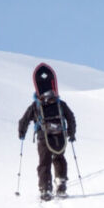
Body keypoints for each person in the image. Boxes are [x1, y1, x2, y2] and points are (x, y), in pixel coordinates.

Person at [17, 62, 77, 200]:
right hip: (59, 136)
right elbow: (70, 117)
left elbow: (24, 120)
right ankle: (61, 186)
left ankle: (45, 189)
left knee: (44, 162)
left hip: (43, 137)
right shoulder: (60, 103)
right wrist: (71, 133)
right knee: (59, 158)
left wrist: (22, 133)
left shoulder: (36, 105)